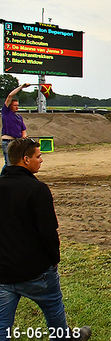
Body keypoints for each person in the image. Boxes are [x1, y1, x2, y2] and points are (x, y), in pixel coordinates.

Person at [0, 138, 91, 341]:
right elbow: (48, 232)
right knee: (53, 308)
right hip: (37, 271)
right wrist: (54, 260)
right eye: (38, 156)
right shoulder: (37, 189)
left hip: (3, 272)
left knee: (2, 326)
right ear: (25, 159)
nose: (41, 160)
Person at [2, 83, 30, 171]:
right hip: (8, 142)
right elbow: (10, 96)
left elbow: (23, 129)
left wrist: (24, 135)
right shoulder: (6, 113)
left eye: (18, 105)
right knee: (9, 164)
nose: (17, 107)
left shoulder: (19, 117)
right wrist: (22, 87)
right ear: (10, 106)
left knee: (16, 163)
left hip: (16, 141)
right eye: (15, 105)